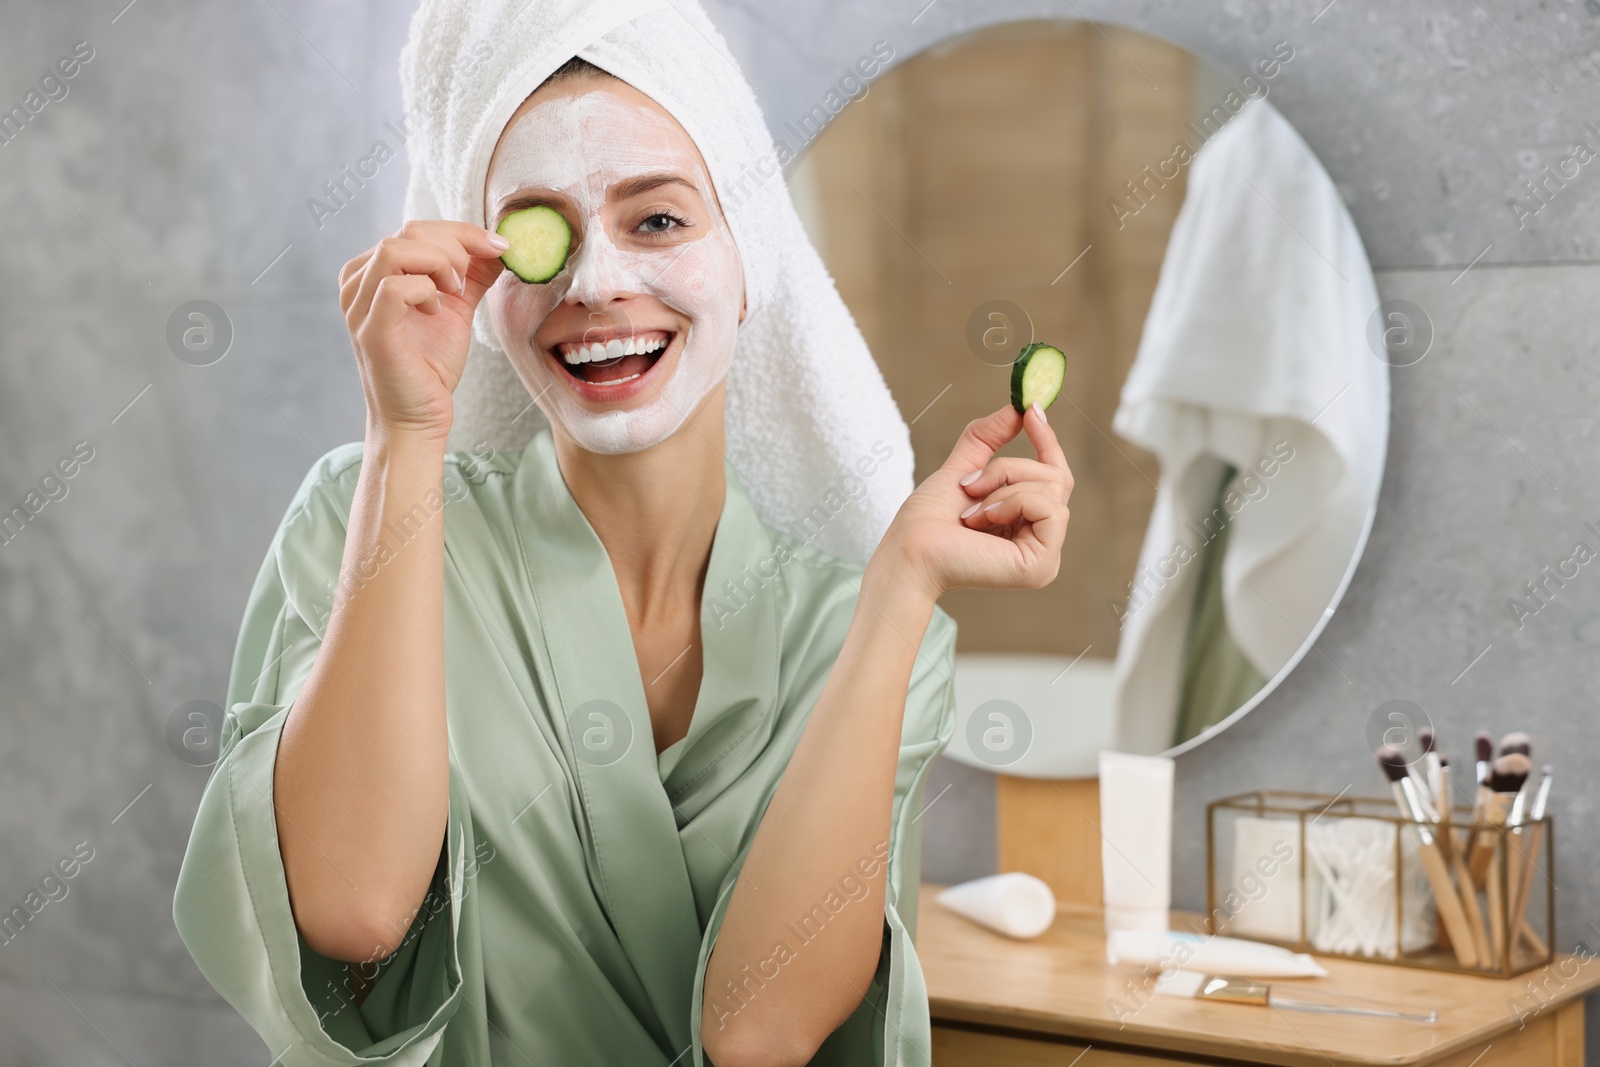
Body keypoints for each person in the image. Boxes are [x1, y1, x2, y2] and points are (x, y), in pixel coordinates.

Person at [173, 3, 1071, 1065]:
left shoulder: (869, 624)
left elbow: (758, 1031)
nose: (593, 282)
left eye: (656, 221)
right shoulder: (364, 514)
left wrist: (902, 583)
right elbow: (357, 914)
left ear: (751, 260)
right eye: (537, 233)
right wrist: (403, 430)